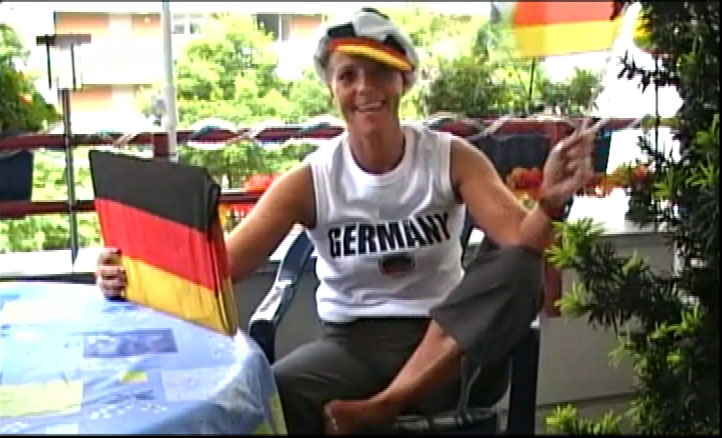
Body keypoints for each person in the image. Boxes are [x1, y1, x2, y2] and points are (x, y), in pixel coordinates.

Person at [96, 8, 599, 435]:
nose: (364, 88)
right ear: (332, 89)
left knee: (519, 262)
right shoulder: (312, 179)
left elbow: (522, 238)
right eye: (348, 75)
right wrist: (128, 269)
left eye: (379, 72)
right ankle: (379, 405)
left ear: (403, 81)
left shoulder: (451, 157)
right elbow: (217, 266)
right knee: (273, 395)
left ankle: (385, 406)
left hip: (453, 349)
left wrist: (549, 203)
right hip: (353, 349)